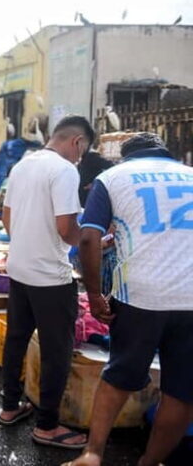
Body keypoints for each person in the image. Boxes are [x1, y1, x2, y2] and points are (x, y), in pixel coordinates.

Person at [68, 133, 193, 466]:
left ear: (125, 157)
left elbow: (88, 239)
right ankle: (149, 462)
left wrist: (94, 295)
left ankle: (93, 453)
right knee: (182, 391)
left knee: (120, 374)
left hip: (141, 295)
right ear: (169, 154)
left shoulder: (112, 178)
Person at [0, 115, 95, 450]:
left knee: (16, 338)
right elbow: (67, 228)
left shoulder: (24, 165)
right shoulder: (65, 170)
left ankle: (10, 407)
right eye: (82, 152)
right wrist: (93, 242)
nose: (79, 159)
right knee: (57, 351)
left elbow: (6, 215)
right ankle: (47, 426)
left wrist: (26, 241)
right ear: (77, 142)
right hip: (51, 278)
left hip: (20, 269)